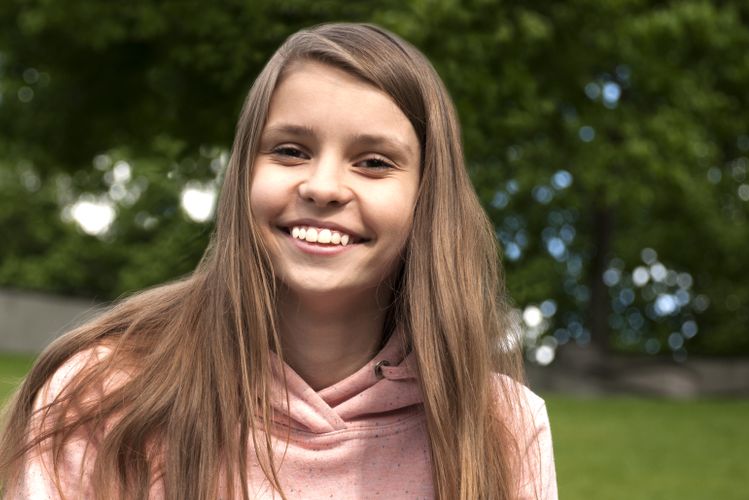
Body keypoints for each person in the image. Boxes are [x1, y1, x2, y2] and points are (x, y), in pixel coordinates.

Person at [0, 23, 557, 499]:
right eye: (290, 150)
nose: (323, 186)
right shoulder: (106, 393)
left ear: (427, 198)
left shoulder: (501, 424)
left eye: (373, 162)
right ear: (243, 173)